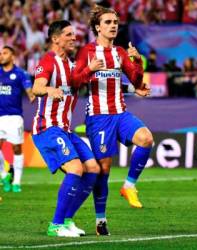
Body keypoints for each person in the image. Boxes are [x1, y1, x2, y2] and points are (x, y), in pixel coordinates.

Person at [72, 5, 153, 233]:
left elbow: (136, 81)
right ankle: (100, 220)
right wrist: (88, 69)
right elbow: (74, 83)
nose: (113, 25)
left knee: (146, 139)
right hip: (98, 117)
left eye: (115, 22)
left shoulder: (119, 52)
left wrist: (136, 61)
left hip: (120, 112)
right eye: (108, 22)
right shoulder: (87, 52)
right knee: (104, 169)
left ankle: (129, 186)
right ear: (98, 27)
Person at [32, 20, 101, 237]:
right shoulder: (48, 61)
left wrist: (133, 88)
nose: (74, 38)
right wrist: (49, 90)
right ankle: (55, 225)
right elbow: (37, 87)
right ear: (55, 39)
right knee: (75, 169)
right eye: (69, 34)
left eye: (74, 34)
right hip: (48, 128)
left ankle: (67, 220)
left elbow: (85, 81)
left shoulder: (71, 65)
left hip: (66, 130)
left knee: (93, 169)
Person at [0, 45, 35, 193]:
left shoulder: (21, 74)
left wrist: (34, 95)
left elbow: (31, 94)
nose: (1, 55)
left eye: (5, 53)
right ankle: (4, 174)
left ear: (13, 56)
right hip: (0, 116)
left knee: (17, 148)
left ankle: (16, 181)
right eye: (0, 53)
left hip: (15, 117)